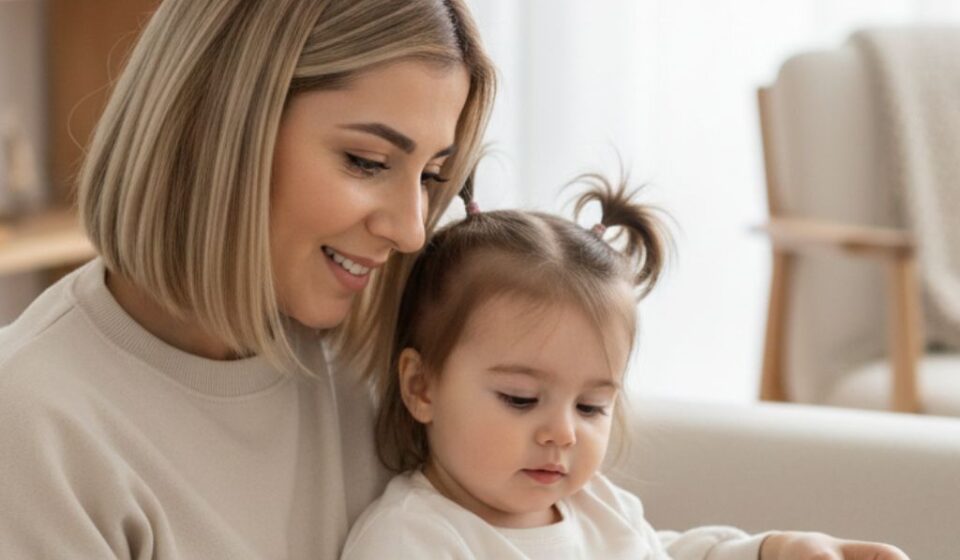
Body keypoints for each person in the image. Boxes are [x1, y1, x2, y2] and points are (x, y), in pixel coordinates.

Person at [0, 1, 495, 558]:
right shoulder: (33, 427)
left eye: (431, 175)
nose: (411, 230)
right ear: (219, 129)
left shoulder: (401, 367)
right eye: (367, 161)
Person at [339, 175, 910, 560]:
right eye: (520, 397)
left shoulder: (596, 506)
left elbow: (662, 552)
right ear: (421, 386)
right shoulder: (413, 539)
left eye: (591, 406)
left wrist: (770, 551)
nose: (563, 431)